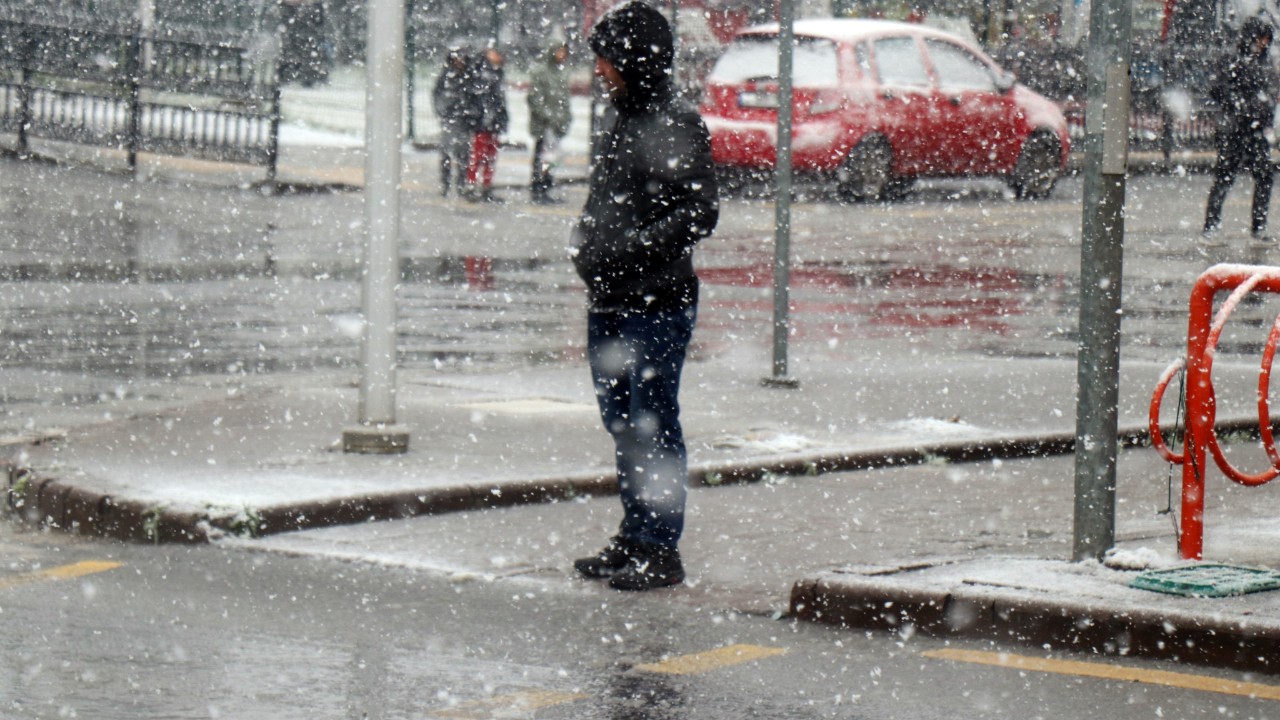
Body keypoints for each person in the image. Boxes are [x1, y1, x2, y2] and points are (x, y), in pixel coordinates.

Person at [570, 1, 719, 592]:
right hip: (609, 298)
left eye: (607, 56)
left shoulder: (673, 122)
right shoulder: (622, 119)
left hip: (655, 300)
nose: (600, 68)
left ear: (634, 58)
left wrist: (630, 250)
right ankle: (635, 537)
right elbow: (605, 203)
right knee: (624, 423)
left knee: (651, 423)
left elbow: (699, 211)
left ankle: (660, 548)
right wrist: (586, 246)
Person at [1203, 17, 1278, 243]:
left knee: (1264, 176)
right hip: (1234, 129)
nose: (1263, 43)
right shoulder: (1233, 61)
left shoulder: (1263, 64)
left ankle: (1258, 227)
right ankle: (1211, 227)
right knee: (1225, 177)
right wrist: (1242, 107)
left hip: (1255, 130)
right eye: (1260, 37)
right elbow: (1219, 90)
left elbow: (1269, 92)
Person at [527, 39, 572, 204]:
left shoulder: (560, 73)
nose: (562, 55)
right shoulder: (542, 72)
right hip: (544, 126)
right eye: (560, 51)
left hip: (556, 126)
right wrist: (548, 116)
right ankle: (538, 189)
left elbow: (563, 99)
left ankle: (547, 188)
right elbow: (535, 98)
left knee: (551, 159)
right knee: (542, 158)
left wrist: (565, 118)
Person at [431, 44, 477, 197]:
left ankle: (461, 183)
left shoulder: (469, 76)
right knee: (446, 152)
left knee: (463, 153)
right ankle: (446, 183)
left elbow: (475, 97)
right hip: (450, 119)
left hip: (464, 121)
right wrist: (443, 112)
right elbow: (437, 96)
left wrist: (471, 112)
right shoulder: (445, 77)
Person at [466, 46, 509, 202]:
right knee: (478, 155)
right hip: (483, 122)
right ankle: (473, 185)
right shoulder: (482, 73)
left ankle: (485, 185)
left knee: (490, 156)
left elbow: (500, 100)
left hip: (492, 122)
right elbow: (480, 97)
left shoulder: (496, 73)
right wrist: (483, 115)